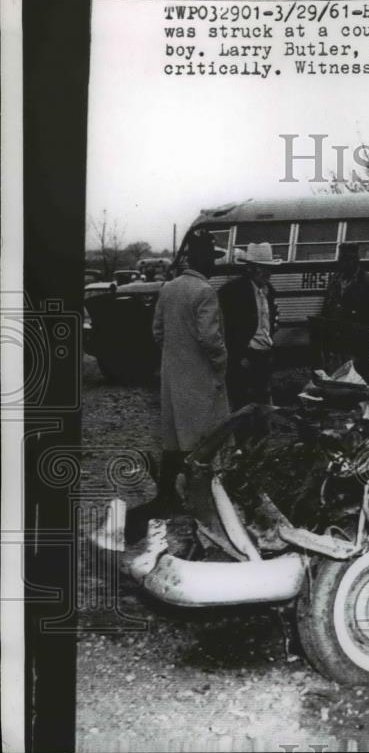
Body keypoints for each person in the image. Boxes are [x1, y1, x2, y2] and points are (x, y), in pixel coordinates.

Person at [126, 232, 229, 542]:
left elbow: (157, 332)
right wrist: (221, 359)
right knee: (205, 438)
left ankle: (167, 494)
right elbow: (209, 338)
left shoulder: (169, 288)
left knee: (174, 439)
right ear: (199, 260)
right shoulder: (205, 291)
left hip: (173, 377)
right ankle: (201, 501)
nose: (213, 264)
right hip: (201, 377)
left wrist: (175, 356)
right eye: (211, 258)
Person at [217, 242, 280, 411]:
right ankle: (242, 435)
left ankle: (261, 435)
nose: (268, 273)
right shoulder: (232, 291)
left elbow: (270, 320)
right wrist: (239, 355)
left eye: (269, 268)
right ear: (251, 268)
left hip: (264, 355)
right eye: (263, 268)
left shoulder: (269, 291)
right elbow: (226, 328)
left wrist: (269, 341)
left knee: (263, 398)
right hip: (243, 357)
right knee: (241, 402)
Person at [319, 242, 369, 381]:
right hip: (336, 345)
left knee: (358, 382)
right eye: (342, 259)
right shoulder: (335, 281)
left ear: (356, 260)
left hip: (359, 346)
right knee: (336, 381)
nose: (344, 263)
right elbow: (326, 310)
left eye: (348, 259)